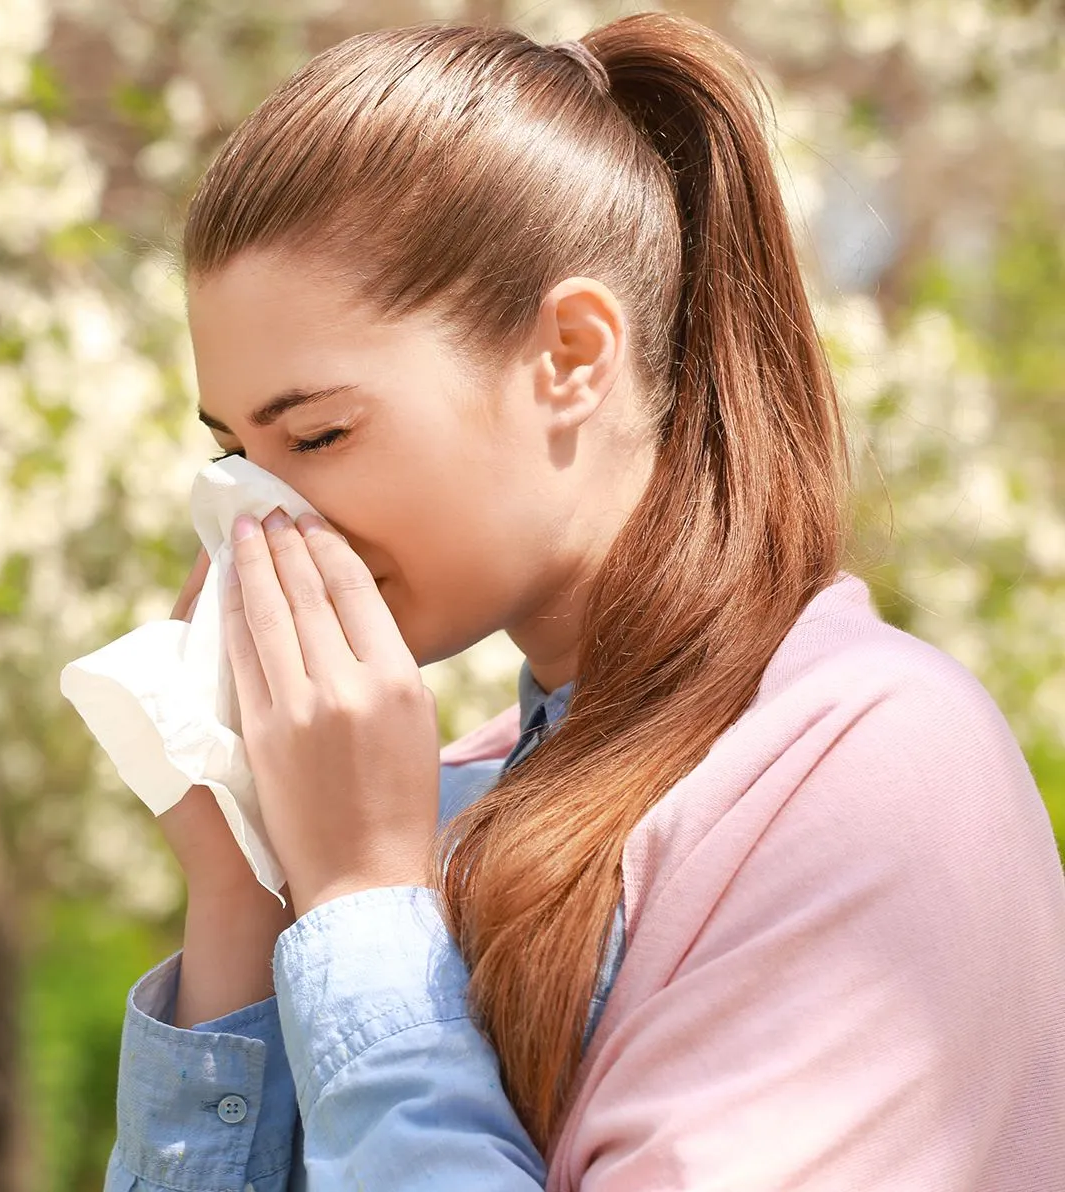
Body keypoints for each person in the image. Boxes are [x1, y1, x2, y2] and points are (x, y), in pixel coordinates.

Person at [104, 12, 1065, 1191]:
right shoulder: (447, 803)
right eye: (234, 455)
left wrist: (359, 901)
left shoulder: (866, 767)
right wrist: (245, 888)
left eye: (317, 434)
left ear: (568, 354)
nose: (263, 518)